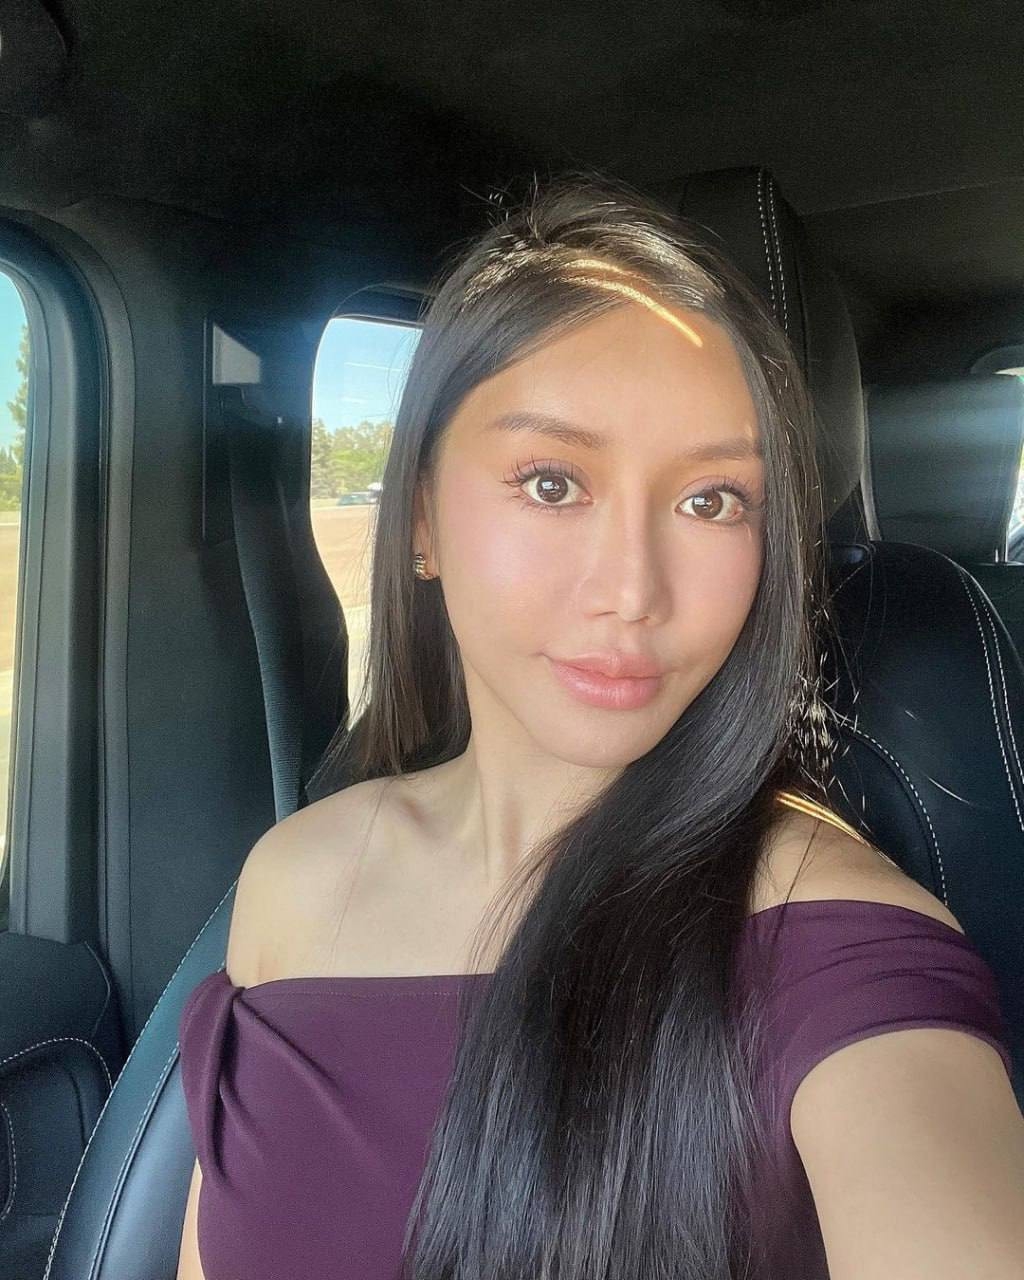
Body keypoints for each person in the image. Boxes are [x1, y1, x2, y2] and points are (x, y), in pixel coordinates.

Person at [175, 171, 1019, 1280]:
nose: (632, 591)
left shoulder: (840, 940)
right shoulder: (294, 875)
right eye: (551, 482)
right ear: (421, 517)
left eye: (712, 500)